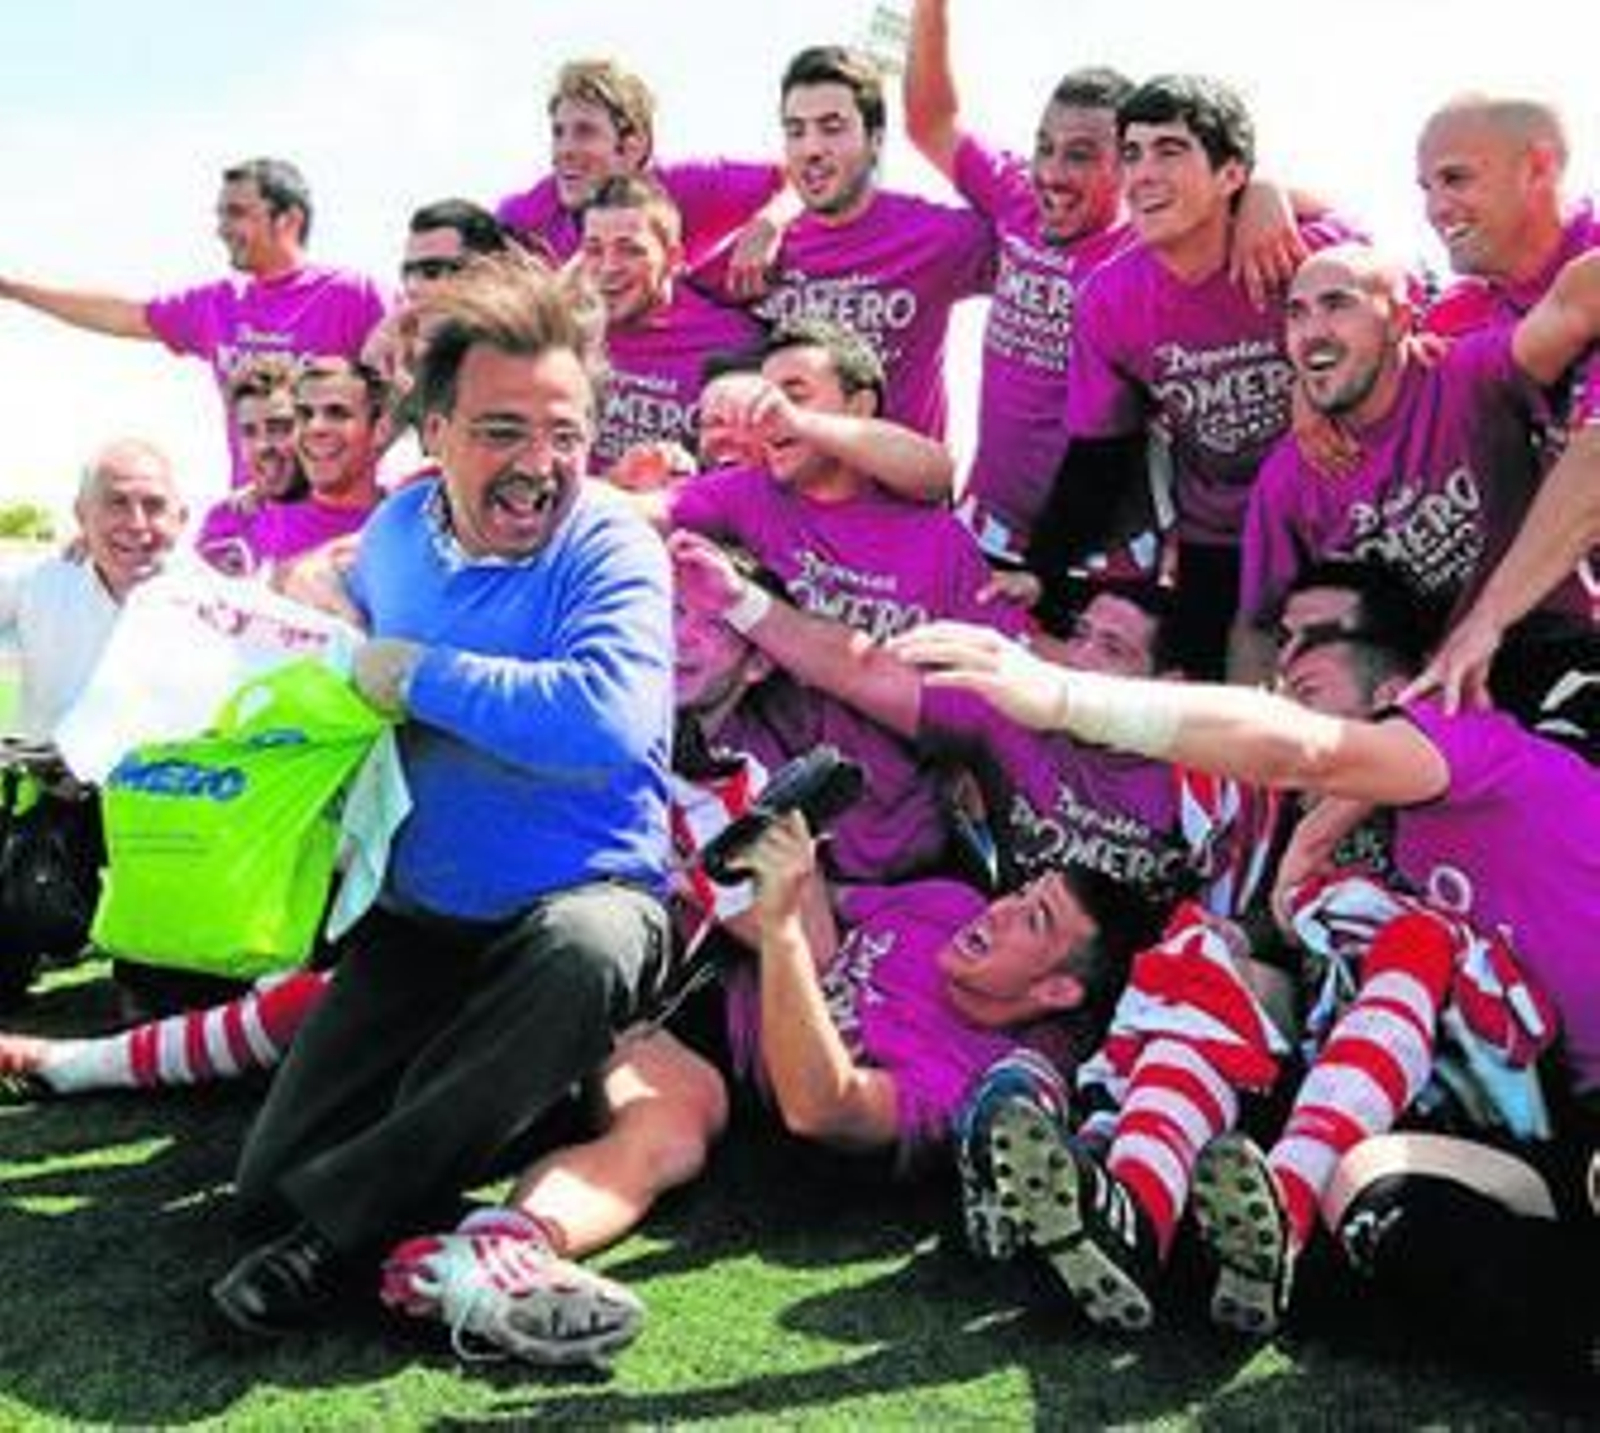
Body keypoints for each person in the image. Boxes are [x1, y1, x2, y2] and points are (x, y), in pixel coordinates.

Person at [890, 563, 1600, 1337]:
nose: (1285, 706)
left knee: (1414, 937)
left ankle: (1279, 1224)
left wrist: (1066, 697)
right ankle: (1135, 1210)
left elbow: (1308, 751)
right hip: (1503, 1110)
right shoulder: (1374, 827)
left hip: (1557, 1100)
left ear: (1397, 697)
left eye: (1310, 684)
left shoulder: (1476, 749)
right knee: (1364, 1186)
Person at [207, 253, 676, 1342]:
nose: (540, 464)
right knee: (258, 1190)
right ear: (434, 429)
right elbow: (341, 617)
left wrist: (415, 672)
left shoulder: (611, 543)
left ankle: (330, 1244)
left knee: (590, 948)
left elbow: (603, 717)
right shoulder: (393, 533)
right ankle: (513, 1107)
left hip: (579, 901)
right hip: (422, 919)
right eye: (503, 429)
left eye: (564, 432)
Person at [651, 316, 1004, 884]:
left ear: (860, 408)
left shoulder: (942, 542)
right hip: (756, 854)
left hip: (899, 859)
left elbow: (983, 714)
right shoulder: (747, 495)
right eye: (763, 398)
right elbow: (642, 510)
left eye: (792, 395)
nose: (770, 416)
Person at [1054, 75, 1354, 675]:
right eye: (1132, 153)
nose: (1143, 173)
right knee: (1209, 709)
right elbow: (1099, 455)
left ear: (1230, 174)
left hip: (1337, 516)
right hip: (1217, 536)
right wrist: (1041, 570)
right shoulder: (1110, 298)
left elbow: (1398, 299)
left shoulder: (1303, 251)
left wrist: (1312, 379)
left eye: (1170, 150)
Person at [1231, 243, 1600, 686]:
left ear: (1400, 321)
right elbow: (1256, 624)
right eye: (1296, 313)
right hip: (1417, 699)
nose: (1312, 331)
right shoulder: (1287, 479)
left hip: (1548, 646)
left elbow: (1575, 304)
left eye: (1337, 305)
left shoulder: (1467, 377)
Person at [903, 0, 1132, 562]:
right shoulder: (1015, 194)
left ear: (1130, 163)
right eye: (1045, 147)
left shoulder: (1153, 248)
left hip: (1101, 551)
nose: (1052, 173)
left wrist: (1266, 199)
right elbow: (928, 120)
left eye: (1080, 156)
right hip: (987, 530)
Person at [0, 158, 388, 488]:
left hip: (342, 528)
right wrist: (11, 288)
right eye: (220, 215)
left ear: (288, 220)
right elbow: (121, 313)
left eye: (236, 213)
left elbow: (415, 385)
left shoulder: (354, 294)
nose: (221, 229)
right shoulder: (217, 303)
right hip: (255, 523)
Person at [1401, 96, 1600, 720]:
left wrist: (1486, 621)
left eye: (1457, 178)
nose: (1435, 208)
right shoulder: (1458, 318)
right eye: (1426, 187)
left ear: (1538, 168)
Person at [702, 44, 996, 439]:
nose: (811, 148)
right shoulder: (758, 251)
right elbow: (661, 301)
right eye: (796, 131)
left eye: (832, 127)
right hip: (783, 491)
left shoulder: (934, 234)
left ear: (875, 140)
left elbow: (1041, 248)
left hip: (900, 492)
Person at [495, 58, 785, 283]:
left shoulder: (683, 187)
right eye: (558, 133)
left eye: (585, 132)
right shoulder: (526, 213)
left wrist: (771, 221)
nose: (564, 150)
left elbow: (795, 177)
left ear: (632, 148)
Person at [577, 175, 765, 482]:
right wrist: (617, 481)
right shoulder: (570, 335)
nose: (609, 267)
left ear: (674, 259)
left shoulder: (735, 340)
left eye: (630, 250)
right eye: (594, 250)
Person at [194, 357, 307, 576]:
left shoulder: (345, 510)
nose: (262, 445)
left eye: (278, 428)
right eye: (249, 432)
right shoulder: (225, 519)